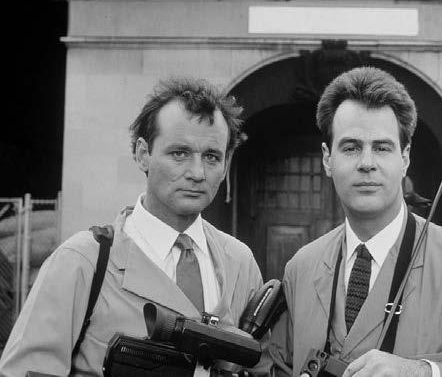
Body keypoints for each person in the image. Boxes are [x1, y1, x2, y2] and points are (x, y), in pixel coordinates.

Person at [267, 67, 442, 376]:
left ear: (405, 157)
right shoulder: (300, 269)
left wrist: (422, 372)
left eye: (382, 148)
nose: (367, 163)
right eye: (351, 148)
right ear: (327, 158)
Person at [0, 78, 266, 376]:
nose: (197, 172)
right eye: (179, 153)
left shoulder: (239, 263)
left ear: (226, 164)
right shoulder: (82, 262)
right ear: (143, 154)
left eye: (211, 157)